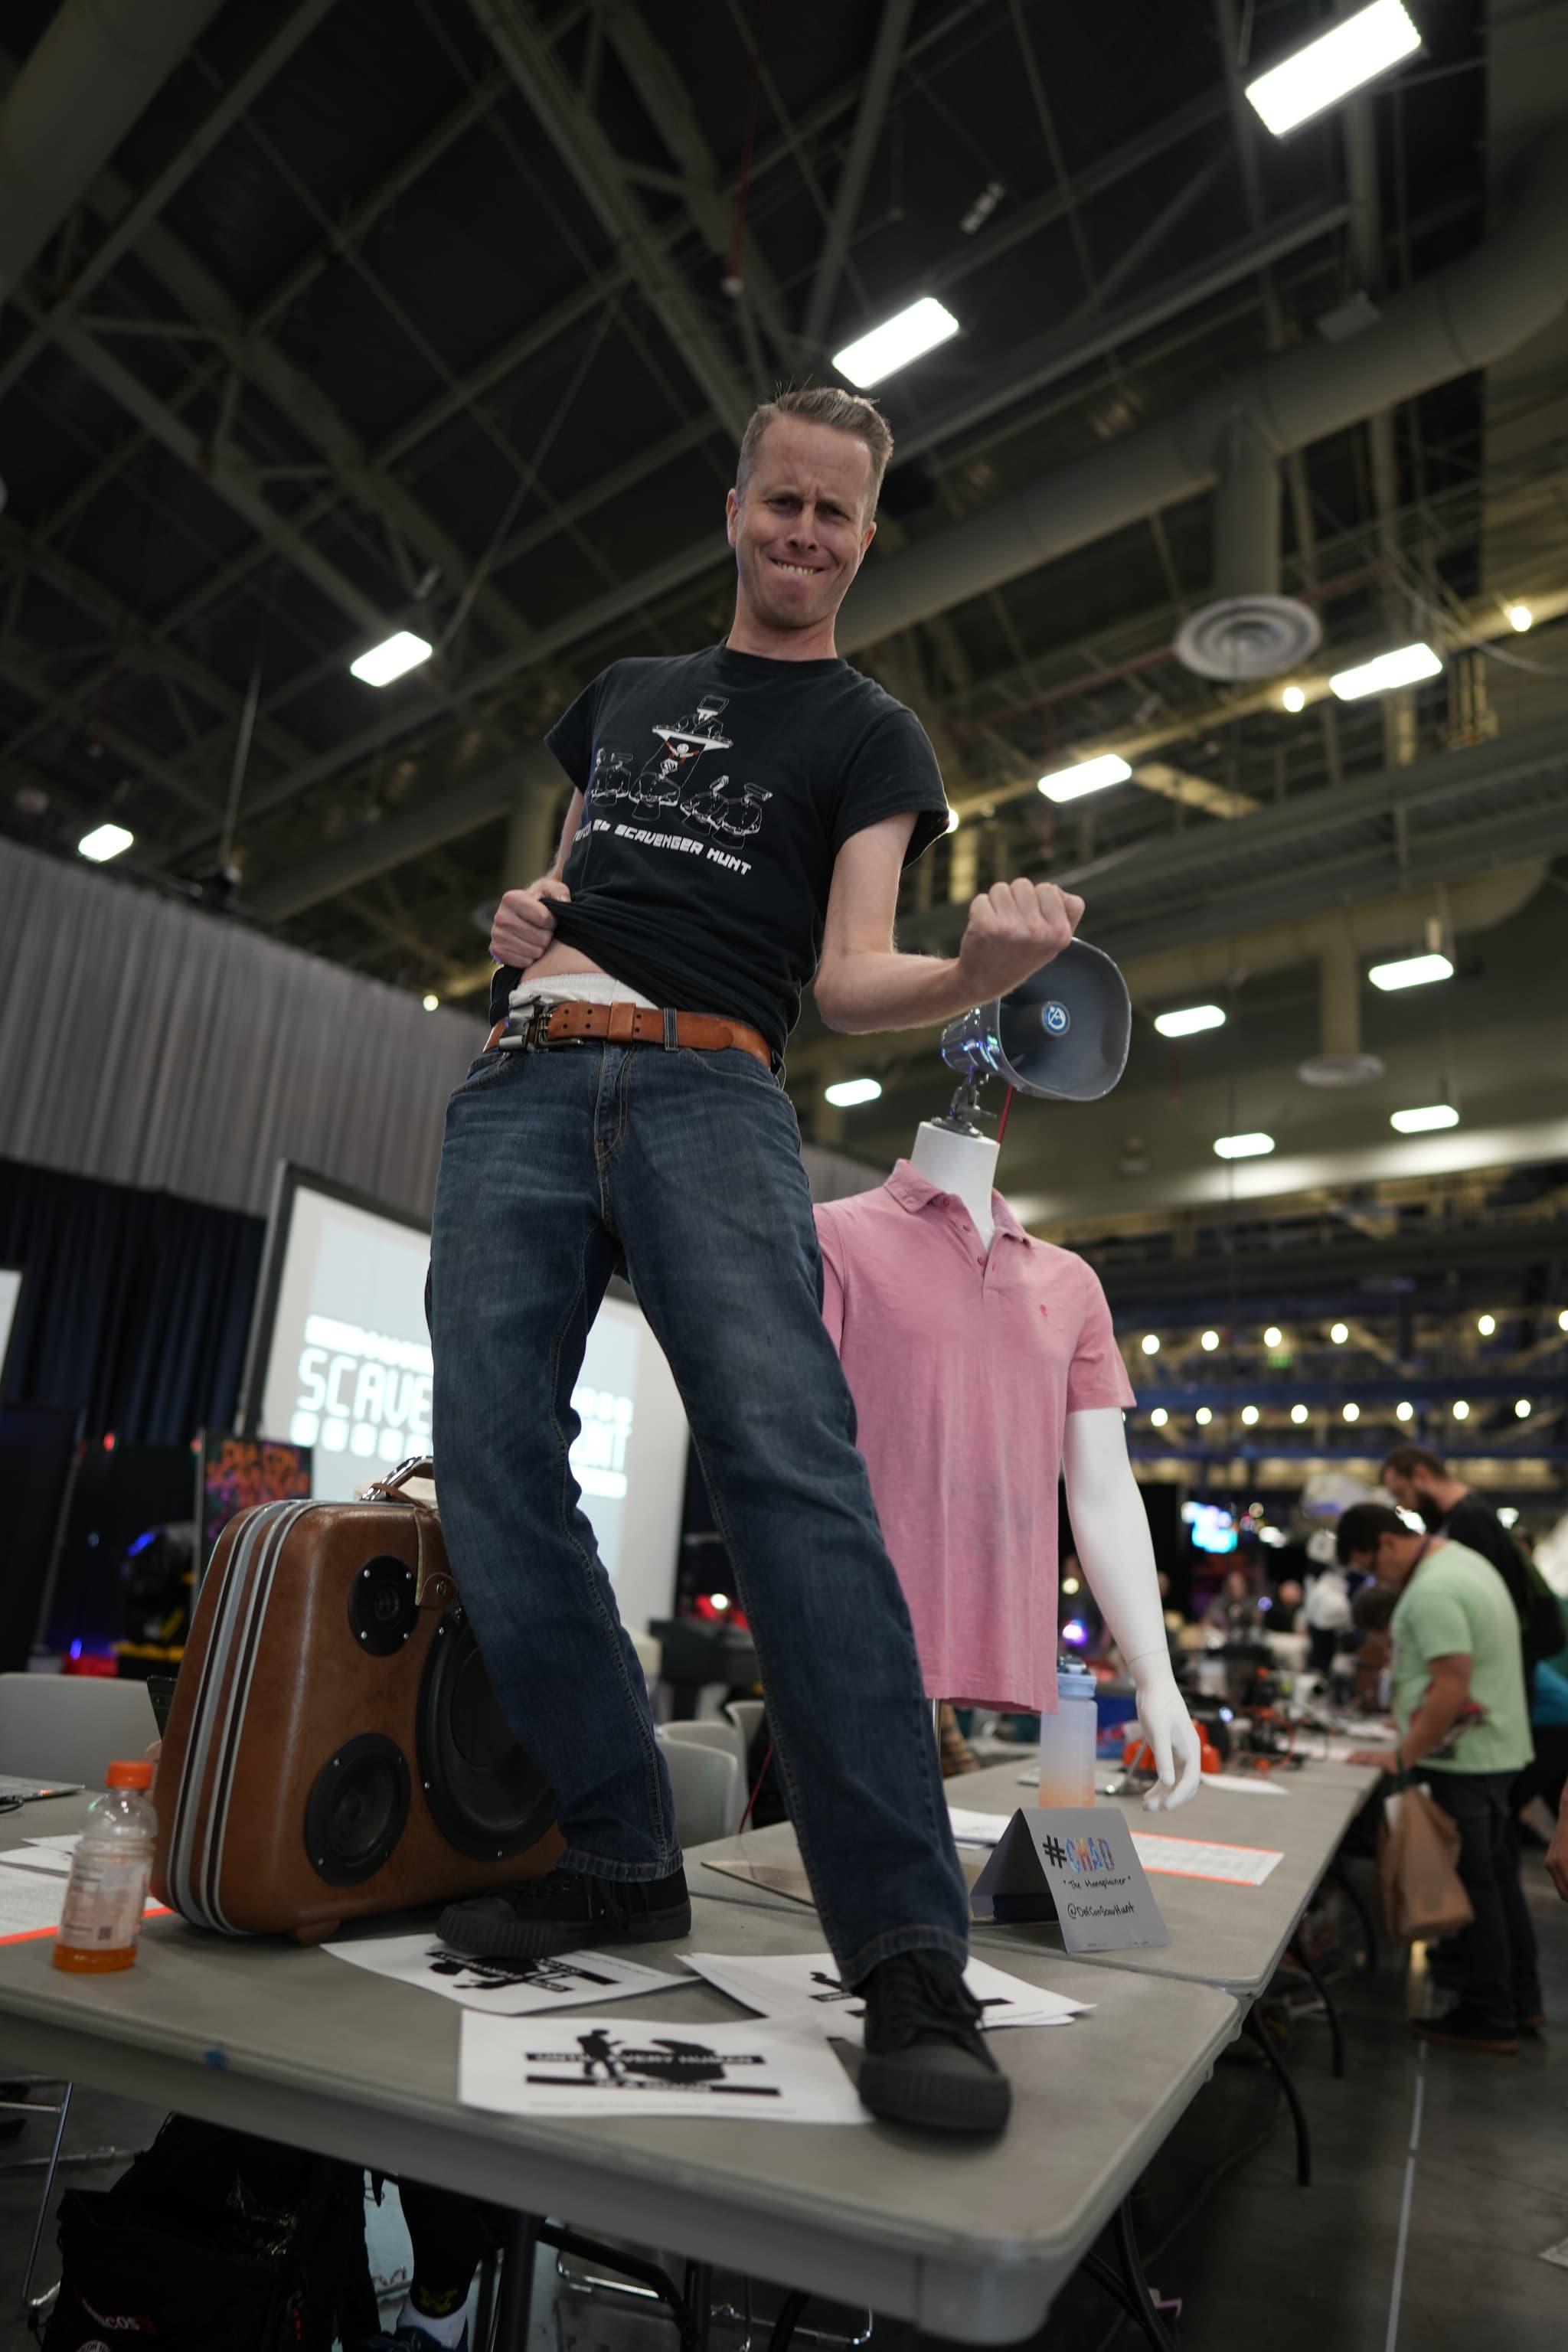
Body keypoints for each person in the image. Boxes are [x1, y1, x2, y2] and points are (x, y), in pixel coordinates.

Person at [426, 385, 1089, 2145]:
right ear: (732, 506)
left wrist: (973, 967)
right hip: (519, 1079)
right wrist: (524, 924)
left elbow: (853, 969)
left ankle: (904, 1954)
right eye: (780, 503)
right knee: (490, 1474)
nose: (804, 535)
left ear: (865, 537)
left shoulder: (870, 735)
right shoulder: (621, 701)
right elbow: (566, 887)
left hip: (715, 1084)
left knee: (794, 1484)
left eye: (837, 517)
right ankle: (620, 1854)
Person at [1336, 1501, 1540, 2052]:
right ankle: (1521, 2002)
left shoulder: (1431, 1590)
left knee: (1475, 1885)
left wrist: (1403, 1757)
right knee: (1496, 1880)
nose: (1380, 1580)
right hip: (1493, 1750)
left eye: (1373, 1568)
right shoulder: (1465, 1563)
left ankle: (1490, 2012)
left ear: (1387, 1541)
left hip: (1464, 1760)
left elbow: (1451, 1684)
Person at [1380, 1446, 1561, 1691]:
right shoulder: (1456, 1518)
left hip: (1502, 1663)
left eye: (1401, 1493)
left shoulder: (1469, 1519)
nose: (1404, 1505)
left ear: (1421, 1475)